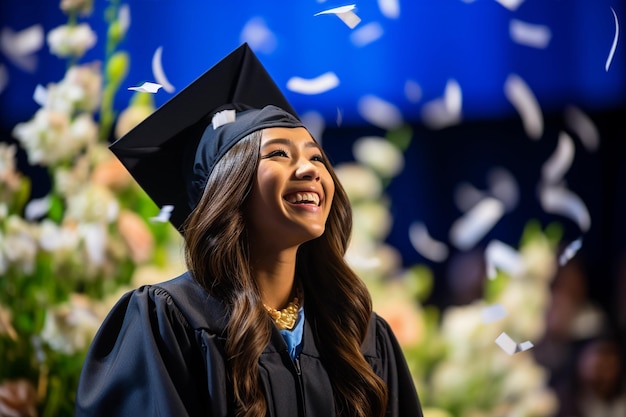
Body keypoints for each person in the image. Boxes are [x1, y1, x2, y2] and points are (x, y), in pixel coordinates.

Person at [75, 43, 423, 417]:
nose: (310, 170)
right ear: (229, 189)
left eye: (316, 156)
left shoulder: (360, 335)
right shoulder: (169, 321)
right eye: (278, 154)